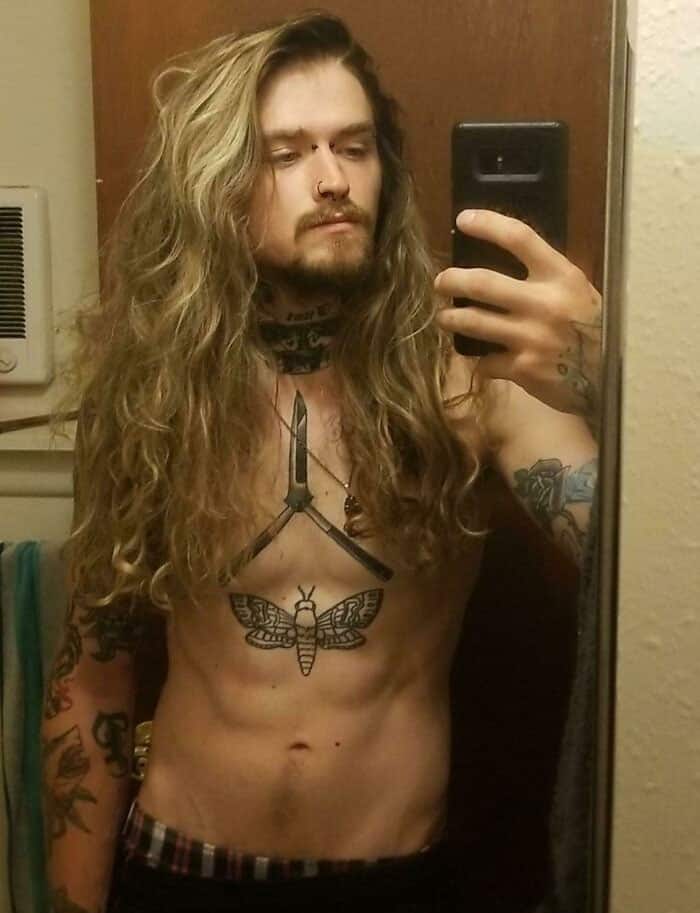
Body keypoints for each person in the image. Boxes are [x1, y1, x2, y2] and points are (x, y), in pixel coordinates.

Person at [42, 11, 600, 913]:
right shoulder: (151, 396)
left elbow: (642, 569)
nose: (334, 178)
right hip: (179, 871)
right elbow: (90, 677)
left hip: (392, 881)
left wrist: (604, 368)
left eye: (355, 146)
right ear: (218, 181)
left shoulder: (470, 377)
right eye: (287, 153)